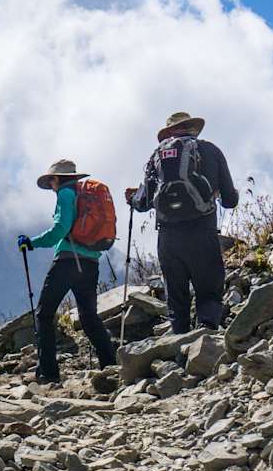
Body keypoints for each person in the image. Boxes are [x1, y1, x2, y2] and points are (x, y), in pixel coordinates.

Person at [125, 111, 239, 334]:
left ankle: (179, 340)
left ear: (169, 132)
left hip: (168, 237)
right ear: (193, 129)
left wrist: (132, 198)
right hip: (202, 231)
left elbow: (144, 201)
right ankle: (206, 333)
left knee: (176, 295)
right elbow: (230, 201)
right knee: (208, 290)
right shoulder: (211, 150)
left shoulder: (157, 156)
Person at [18, 160, 119, 385]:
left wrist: (31, 242)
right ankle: (110, 365)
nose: (51, 187)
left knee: (44, 315)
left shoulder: (65, 194)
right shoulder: (85, 194)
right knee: (89, 316)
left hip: (67, 261)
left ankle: (48, 373)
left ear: (56, 179)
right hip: (91, 262)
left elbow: (60, 229)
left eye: (50, 182)